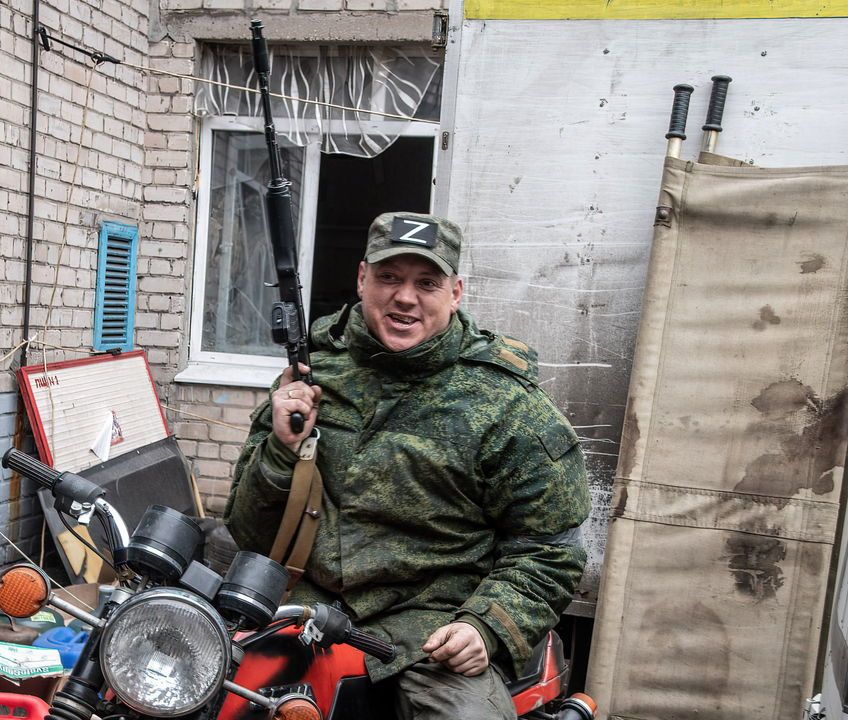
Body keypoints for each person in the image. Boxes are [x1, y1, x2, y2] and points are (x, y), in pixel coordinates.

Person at [224, 212, 591, 719]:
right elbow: (248, 531)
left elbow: (550, 548)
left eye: (427, 282)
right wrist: (281, 451)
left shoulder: (506, 403)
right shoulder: (311, 372)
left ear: (456, 292)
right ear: (361, 278)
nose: (404, 297)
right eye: (389, 277)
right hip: (305, 606)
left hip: (429, 630)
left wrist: (486, 627)